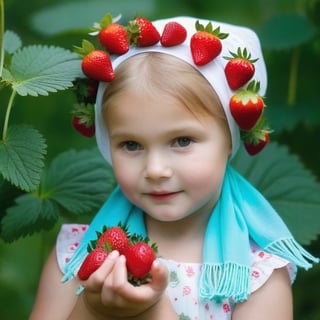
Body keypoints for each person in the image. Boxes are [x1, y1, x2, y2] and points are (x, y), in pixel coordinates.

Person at [29, 16, 318, 320]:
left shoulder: (256, 275)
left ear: (230, 139)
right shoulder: (78, 256)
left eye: (182, 140)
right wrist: (92, 308)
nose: (155, 169)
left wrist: (153, 312)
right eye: (131, 145)